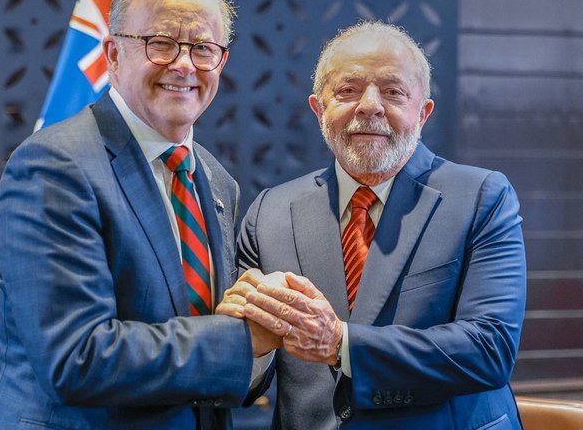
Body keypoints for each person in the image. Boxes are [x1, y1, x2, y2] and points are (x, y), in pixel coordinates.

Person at [0, 0, 278, 430]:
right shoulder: (53, 166)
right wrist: (243, 340)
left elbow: (222, 353)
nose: (184, 64)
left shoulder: (217, 180)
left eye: (203, 48)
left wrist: (271, 324)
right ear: (113, 55)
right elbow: (77, 359)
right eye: (161, 42)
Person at [220, 21, 526, 429]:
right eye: (347, 90)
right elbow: (249, 368)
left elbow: (490, 349)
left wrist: (341, 344)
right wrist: (246, 342)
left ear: (423, 113)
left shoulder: (482, 197)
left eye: (393, 92)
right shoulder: (269, 212)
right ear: (319, 110)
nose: (369, 106)